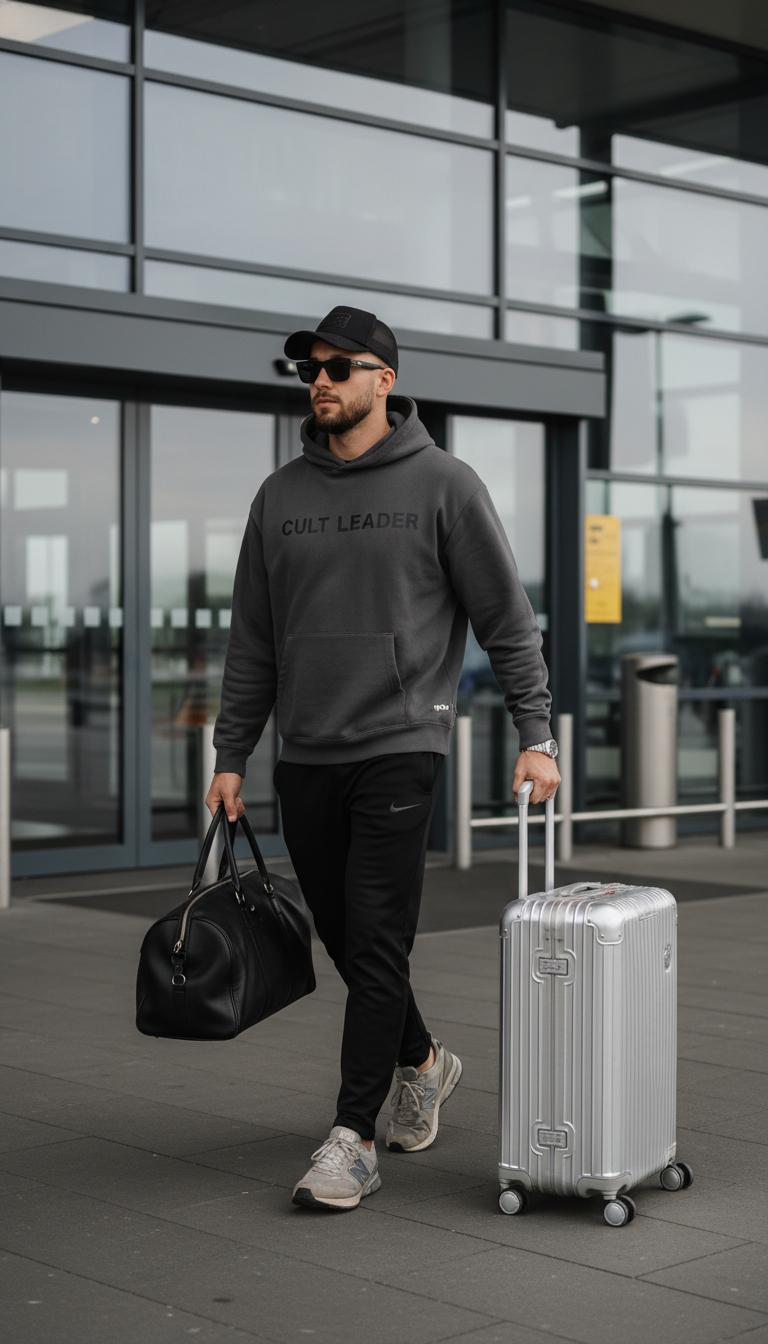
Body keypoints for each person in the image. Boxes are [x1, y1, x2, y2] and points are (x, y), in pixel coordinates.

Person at [206, 305, 560, 1211]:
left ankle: (352, 1137)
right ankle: (427, 1063)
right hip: (307, 754)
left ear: (384, 380)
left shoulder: (445, 484)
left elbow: (506, 621)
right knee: (350, 941)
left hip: (403, 742)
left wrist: (537, 735)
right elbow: (254, 640)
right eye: (308, 369)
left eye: (337, 366)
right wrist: (232, 752)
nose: (318, 380)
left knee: (375, 936)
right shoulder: (278, 498)